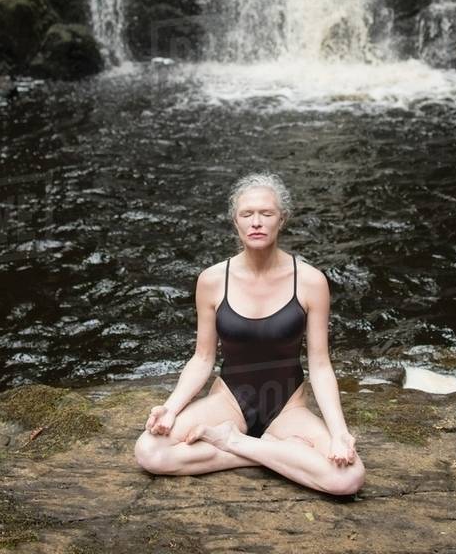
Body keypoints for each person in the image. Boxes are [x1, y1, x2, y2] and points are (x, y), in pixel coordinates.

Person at [133, 172, 365, 496]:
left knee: (349, 478)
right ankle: (274, 455)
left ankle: (236, 443)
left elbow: (321, 364)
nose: (257, 222)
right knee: (149, 451)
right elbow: (202, 358)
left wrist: (339, 432)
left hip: (287, 408)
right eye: (247, 214)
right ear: (236, 222)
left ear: (281, 219)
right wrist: (170, 409)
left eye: (266, 214)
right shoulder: (212, 280)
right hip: (228, 401)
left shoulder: (311, 281)